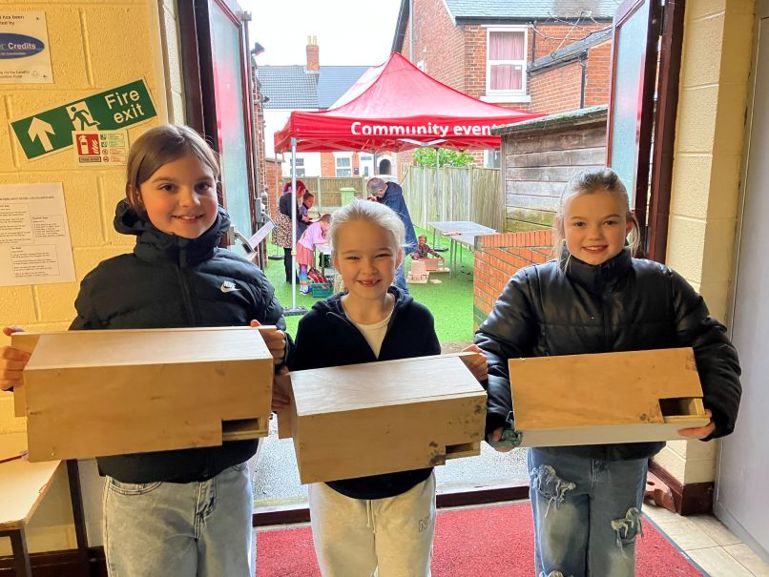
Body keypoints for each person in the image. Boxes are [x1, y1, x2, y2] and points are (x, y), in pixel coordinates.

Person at [0, 124, 290, 577]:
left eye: (202, 185)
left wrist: (278, 344)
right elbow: (76, 370)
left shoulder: (245, 274)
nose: (190, 201)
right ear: (136, 195)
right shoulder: (108, 283)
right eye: (167, 187)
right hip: (142, 485)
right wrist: (32, 368)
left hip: (227, 476)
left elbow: (281, 341)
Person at [474, 167, 742, 577]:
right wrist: (495, 417)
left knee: (615, 561)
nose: (594, 235)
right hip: (555, 456)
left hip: (627, 455)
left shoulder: (662, 285)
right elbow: (494, 349)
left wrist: (716, 410)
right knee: (558, 560)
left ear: (629, 225)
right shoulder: (532, 286)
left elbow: (710, 343)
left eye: (609, 222)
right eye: (580, 223)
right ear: (561, 227)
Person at [285, 200, 487, 577]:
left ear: (398, 258)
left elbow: (431, 392)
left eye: (380, 255)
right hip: (337, 484)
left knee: (408, 570)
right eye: (353, 257)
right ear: (335, 260)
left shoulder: (417, 320)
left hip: (408, 479)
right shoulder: (315, 327)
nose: (367, 268)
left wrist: (462, 375)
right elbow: (299, 405)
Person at [366, 177, 417, 293]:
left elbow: (387, 218)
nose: (377, 197)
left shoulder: (394, 197)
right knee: (391, 270)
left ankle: (404, 300)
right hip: (395, 238)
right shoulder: (388, 192)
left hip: (402, 239)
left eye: (376, 195)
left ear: (380, 191)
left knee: (397, 274)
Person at [273, 180, 311, 283]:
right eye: (303, 191)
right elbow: (292, 214)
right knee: (289, 253)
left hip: (283, 227)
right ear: (298, 189)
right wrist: (303, 218)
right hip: (286, 228)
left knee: (287, 253)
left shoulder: (287, 196)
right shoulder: (291, 197)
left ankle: (290, 277)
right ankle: (292, 278)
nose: (302, 194)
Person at [296, 213, 331, 294]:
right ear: (325, 222)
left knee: (303, 267)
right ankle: (303, 288)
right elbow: (316, 240)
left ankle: (303, 286)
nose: (327, 229)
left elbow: (318, 238)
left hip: (305, 246)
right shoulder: (317, 226)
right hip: (304, 247)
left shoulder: (317, 226)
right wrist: (327, 241)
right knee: (303, 267)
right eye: (328, 227)